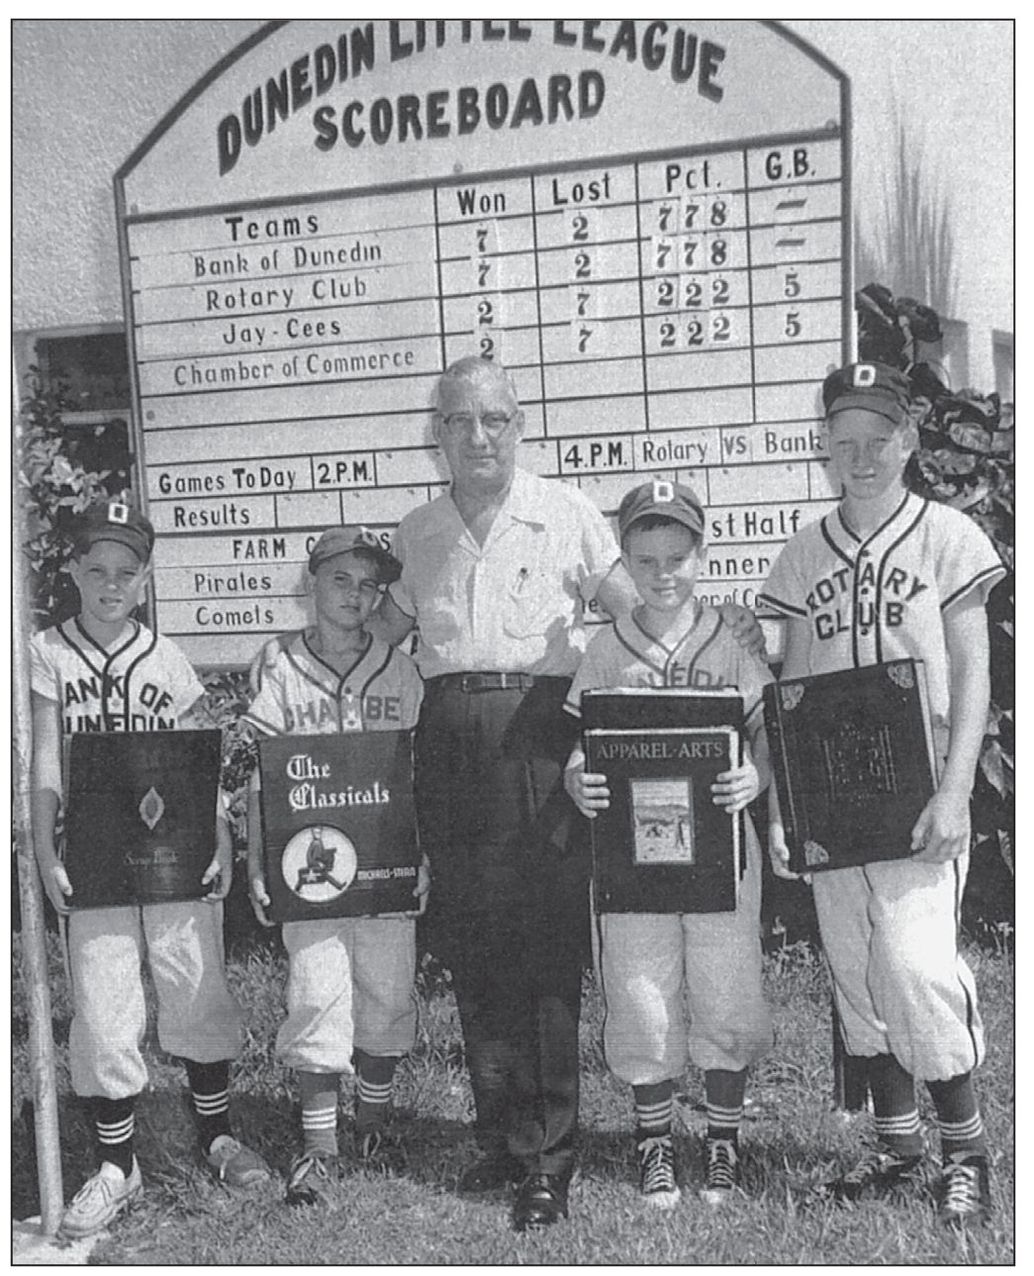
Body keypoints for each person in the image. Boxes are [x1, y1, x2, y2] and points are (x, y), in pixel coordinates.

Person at [367, 355, 764, 1230]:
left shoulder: (567, 512)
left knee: (544, 940)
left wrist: (728, 620)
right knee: (472, 939)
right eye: (461, 421)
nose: (479, 437)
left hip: (541, 729)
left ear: (520, 425)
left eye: (496, 420)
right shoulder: (419, 529)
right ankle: (497, 1134)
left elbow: (646, 613)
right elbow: (385, 627)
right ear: (437, 432)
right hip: (449, 735)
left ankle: (549, 1155)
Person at [759, 362, 1006, 1228]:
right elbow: (787, 694)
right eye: (844, 441)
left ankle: (966, 1150)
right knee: (859, 971)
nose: (861, 456)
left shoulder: (946, 536)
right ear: (824, 449)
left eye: (879, 438)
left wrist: (956, 789)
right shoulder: (801, 550)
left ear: (908, 442)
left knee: (913, 962)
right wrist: (786, 808)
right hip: (831, 793)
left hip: (915, 788)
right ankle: (900, 1155)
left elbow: (974, 671)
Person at [29, 500, 269, 1240]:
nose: (109, 583)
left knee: (194, 984)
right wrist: (43, 851)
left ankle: (216, 1134)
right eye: (95, 568)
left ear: (145, 579)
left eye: (125, 571)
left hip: (170, 855)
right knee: (102, 1007)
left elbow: (203, 767)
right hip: (94, 856)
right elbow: (43, 760)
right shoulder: (46, 651)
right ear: (71, 570)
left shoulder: (164, 658)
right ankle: (117, 1164)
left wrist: (222, 842)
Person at [563, 478, 774, 1210]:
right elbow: (581, 744)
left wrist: (757, 775)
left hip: (719, 845)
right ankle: (654, 1142)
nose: (662, 573)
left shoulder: (729, 637)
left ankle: (722, 1140)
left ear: (701, 555)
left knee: (727, 993)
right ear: (623, 559)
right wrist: (577, 778)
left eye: (676, 557)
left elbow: (761, 732)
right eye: (645, 558)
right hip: (632, 852)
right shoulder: (605, 646)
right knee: (641, 994)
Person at [244, 527, 427, 1207]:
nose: (355, 594)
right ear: (311, 583)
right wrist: (259, 857)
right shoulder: (281, 668)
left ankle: (372, 1125)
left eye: (369, 583)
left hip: (385, 861)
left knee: (388, 995)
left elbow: (418, 774)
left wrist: (425, 852)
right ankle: (319, 1146)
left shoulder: (401, 670)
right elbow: (260, 779)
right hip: (308, 866)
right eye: (339, 579)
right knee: (317, 995)